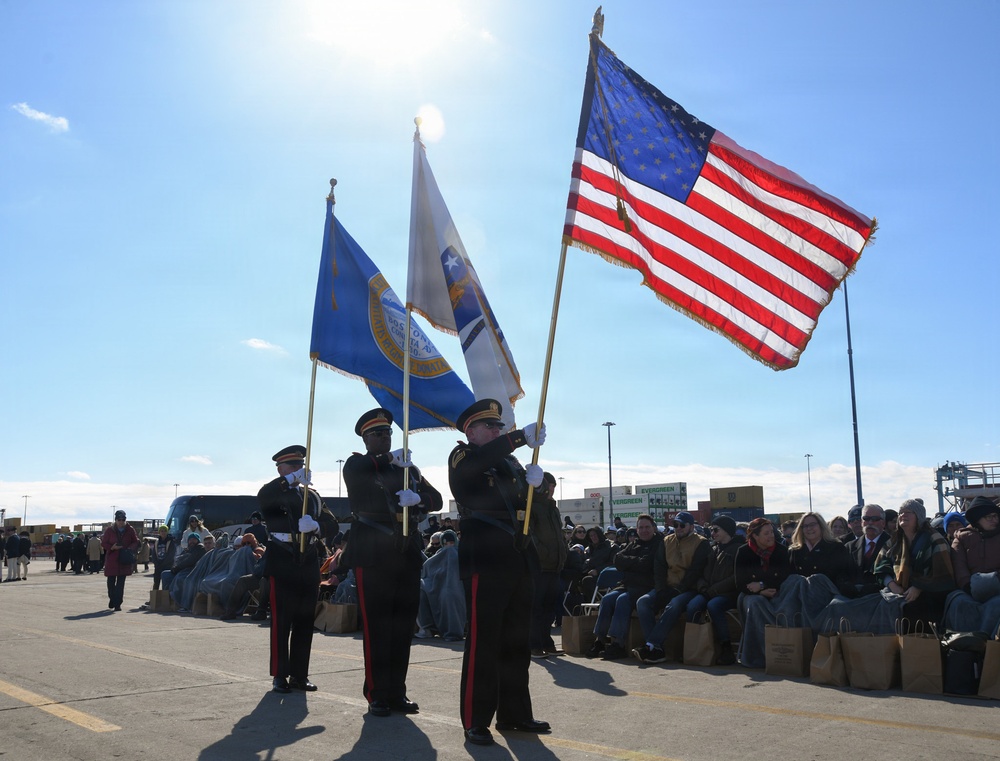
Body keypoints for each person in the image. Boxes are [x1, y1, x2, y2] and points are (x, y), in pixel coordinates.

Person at [448, 398, 549, 747]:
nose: (497, 430)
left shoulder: (509, 465)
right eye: (490, 426)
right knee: (483, 642)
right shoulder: (463, 456)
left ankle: (515, 713)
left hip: (518, 556)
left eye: (499, 426)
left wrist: (535, 485)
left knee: (516, 642)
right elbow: (471, 470)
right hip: (485, 558)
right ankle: (475, 720)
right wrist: (519, 436)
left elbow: (526, 508)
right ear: (471, 432)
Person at [343, 407, 443, 717]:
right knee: (377, 627)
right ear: (366, 438)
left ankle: (397, 692)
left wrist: (419, 498)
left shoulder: (407, 469)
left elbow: (437, 499)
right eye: (378, 434)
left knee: (402, 627)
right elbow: (363, 473)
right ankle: (376, 693)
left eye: (388, 432)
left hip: (406, 553)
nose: (385, 437)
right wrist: (393, 462)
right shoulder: (358, 464)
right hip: (373, 552)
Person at [258, 444, 336, 694]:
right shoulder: (274, 491)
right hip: (283, 558)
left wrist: (316, 527)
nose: (297, 470)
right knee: (282, 620)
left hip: (309, 559)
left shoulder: (312, 495)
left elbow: (332, 523)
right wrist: (289, 481)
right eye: (291, 467)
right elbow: (265, 497)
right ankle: (280, 675)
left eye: (299, 466)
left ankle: (300, 675)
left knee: (304, 620)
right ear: (280, 469)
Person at [632, 511, 709, 664]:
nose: (678, 528)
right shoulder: (666, 541)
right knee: (643, 602)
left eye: (682, 525)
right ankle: (656, 648)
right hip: (667, 585)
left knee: (673, 605)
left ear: (692, 527)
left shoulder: (701, 543)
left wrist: (678, 590)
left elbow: (696, 571)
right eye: (675, 525)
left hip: (688, 589)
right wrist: (660, 589)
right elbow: (659, 567)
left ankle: (651, 646)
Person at [873, 498, 955, 630]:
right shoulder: (894, 540)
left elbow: (942, 571)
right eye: (901, 512)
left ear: (919, 516)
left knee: (913, 610)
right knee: (882, 607)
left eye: (908, 512)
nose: (903, 515)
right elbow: (881, 565)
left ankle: (916, 648)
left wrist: (918, 587)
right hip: (898, 591)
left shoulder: (934, 538)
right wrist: (892, 584)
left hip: (931, 593)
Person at [588, 513, 660, 660]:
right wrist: (635, 562)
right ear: (637, 529)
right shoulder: (634, 544)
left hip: (646, 587)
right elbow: (617, 559)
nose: (644, 530)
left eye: (647, 527)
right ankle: (600, 640)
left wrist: (629, 564)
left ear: (654, 528)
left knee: (622, 600)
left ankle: (618, 644)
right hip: (628, 584)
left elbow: (646, 564)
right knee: (607, 599)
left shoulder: (659, 544)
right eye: (641, 527)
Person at [734, 517, 791, 667]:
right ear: (755, 536)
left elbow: (784, 577)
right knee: (755, 603)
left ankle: (783, 648)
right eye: (766, 533)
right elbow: (740, 582)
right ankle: (759, 654)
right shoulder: (744, 552)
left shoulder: (781, 551)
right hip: (750, 595)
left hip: (776, 593)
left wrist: (761, 584)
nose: (771, 536)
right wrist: (759, 593)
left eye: (772, 531)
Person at [946, 496, 1000, 635]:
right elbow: (959, 566)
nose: (994, 520)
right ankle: (963, 644)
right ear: (977, 519)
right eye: (989, 517)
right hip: (969, 590)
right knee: (958, 603)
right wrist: (967, 586)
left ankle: (988, 645)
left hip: (997, 588)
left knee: (996, 605)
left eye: (996, 516)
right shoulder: (962, 538)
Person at [529, 472, 568, 657]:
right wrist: (544, 554)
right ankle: (534, 644)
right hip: (540, 566)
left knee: (550, 609)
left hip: (555, 566)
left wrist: (562, 553)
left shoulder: (554, 508)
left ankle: (547, 641)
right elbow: (531, 536)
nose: (551, 489)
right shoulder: (532, 506)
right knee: (536, 608)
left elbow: (558, 535)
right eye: (549, 485)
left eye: (553, 485)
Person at [787, 513, 854, 595]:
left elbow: (844, 574)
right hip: (801, 596)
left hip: (829, 596)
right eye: (805, 526)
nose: (809, 528)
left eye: (812, 525)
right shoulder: (795, 551)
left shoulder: (836, 547)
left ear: (821, 526)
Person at [416, 529, 465, 640]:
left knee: (449, 596)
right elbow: (428, 570)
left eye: (451, 543)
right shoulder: (438, 556)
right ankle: (428, 628)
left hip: (458, 590)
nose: (449, 547)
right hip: (437, 589)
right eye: (446, 544)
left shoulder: (461, 554)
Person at [844, 504, 891, 596]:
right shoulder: (849, 547)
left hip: (880, 598)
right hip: (851, 597)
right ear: (862, 522)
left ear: (883, 523)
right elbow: (842, 574)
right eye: (866, 518)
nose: (870, 523)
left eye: (875, 519)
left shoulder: (893, 545)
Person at [101, 510, 140, 611]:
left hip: (124, 558)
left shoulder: (130, 530)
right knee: (111, 582)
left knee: (120, 583)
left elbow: (135, 541)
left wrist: (130, 548)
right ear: (116, 520)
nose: (121, 521)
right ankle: (112, 598)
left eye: (123, 519)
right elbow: (104, 543)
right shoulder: (110, 530)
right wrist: (112, 547)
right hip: (112, 559)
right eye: (119, 519)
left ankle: (118, 604)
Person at [151, 524, 178, 591]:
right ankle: (154, 598)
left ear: (167, 532)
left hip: (167, 565)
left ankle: (165, 598)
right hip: (158, 565)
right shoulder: (157, 541)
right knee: (156, 581)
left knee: (166, 582)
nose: (163, 532)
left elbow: (171, 554)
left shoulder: (171, 541)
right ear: (159, 532)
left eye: (165, 531)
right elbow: (154, 553)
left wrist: (164, 563)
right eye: (162, 531)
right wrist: (156, 563)